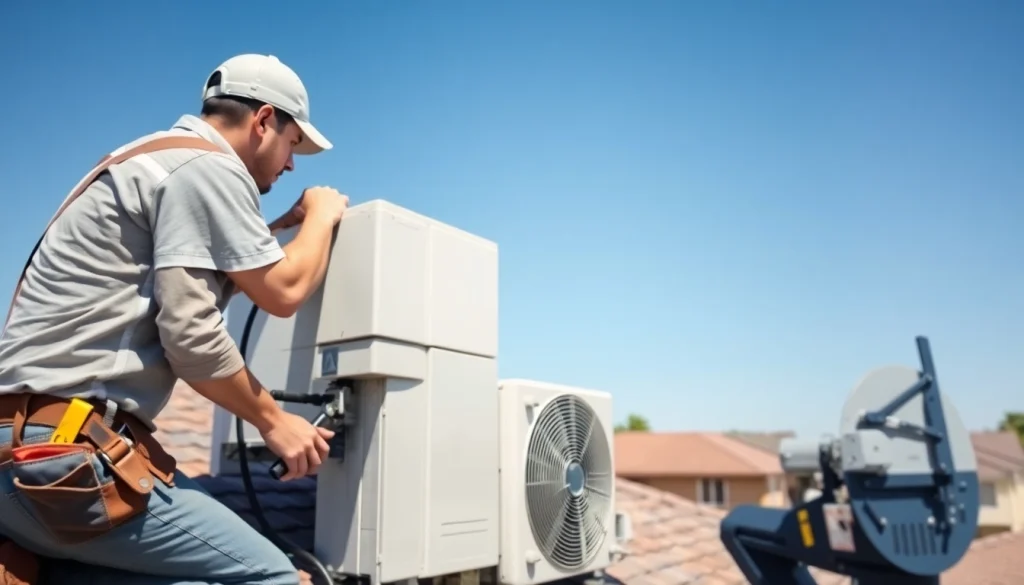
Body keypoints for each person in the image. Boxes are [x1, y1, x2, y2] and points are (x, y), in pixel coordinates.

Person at [0, 53, 348, 585]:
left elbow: (188, 270)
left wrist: (273, 229)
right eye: (293, 143)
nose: (293, 164)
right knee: (272, 577)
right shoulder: (208, 167)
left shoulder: (148, 159)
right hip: (66, 458)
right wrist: (322, 216)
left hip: (18, 455)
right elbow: (265, 300)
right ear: (262, 122)